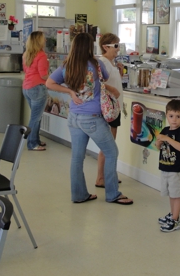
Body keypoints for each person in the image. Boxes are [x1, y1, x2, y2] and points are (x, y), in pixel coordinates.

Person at [46, 33, 133, 205]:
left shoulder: (67, 65)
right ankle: (113, 193)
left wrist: (70, 92)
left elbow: (49, 83)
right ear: (89, 47)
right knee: (111, 152)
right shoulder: (95, 63)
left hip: (74, 117)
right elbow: (106, 78)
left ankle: (79, 195)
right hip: (92, 118)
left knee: (77, 158)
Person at [95, 33, 124, 188]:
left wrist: (119, 72)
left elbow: (112, 81)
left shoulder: (111, 63)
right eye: (116, 46)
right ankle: (101, 177)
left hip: (115, 108)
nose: (118, 49)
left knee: (111, 145)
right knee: (108, 146)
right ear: (106, 47)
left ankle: (109, 174)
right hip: (109, 109)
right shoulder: (103, 62)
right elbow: (100, 84)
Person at [156, 99, 180, 232]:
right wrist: (159, 142)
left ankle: (175, 220)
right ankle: (172, 214)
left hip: (177, 170)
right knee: (171, 194)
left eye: (178, 116)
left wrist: (168, 139)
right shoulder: (165, 130)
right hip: (165, 167)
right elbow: (159, 147)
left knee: (176, 195)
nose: (174, 120)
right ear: (166, 115)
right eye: (171, 116)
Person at [22, 31, 49, 151]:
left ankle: (36, 140)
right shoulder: (41, 55)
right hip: (38, 88)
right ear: (39, 41)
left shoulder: (26, 54)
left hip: (27, 88)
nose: (46, 40)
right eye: (43, 38)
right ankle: (32, 143)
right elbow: (43, 75)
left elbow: (27, 71)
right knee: (35, 118)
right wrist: (53, 78)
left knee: (35, 116)